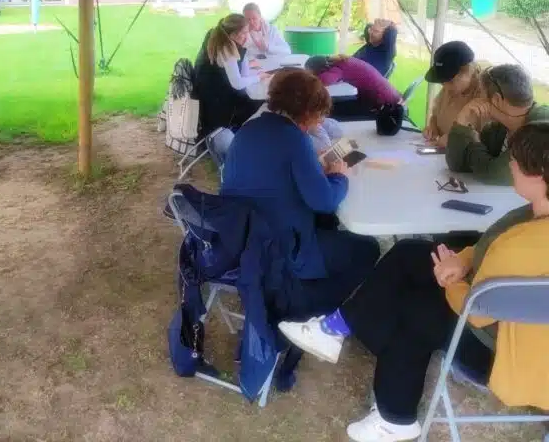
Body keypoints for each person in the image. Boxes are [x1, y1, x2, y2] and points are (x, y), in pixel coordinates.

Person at [279, 121, 549, 442]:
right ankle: (337, 327)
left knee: (415, 309)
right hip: (510, 316)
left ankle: (395, 417)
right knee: (410, 253)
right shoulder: (530, 215)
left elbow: (476, 311)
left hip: (507, 351)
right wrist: (461, 261)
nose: (510, 166)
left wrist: (449, 281)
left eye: (514, 161)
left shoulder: (521, 246)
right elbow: (486, 245)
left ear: (538, 174)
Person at [221, 69, 380, 317]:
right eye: (318, 115)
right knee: (367, 248)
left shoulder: (248, 129)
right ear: (307, 112)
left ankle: (306, 288)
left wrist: (312, 166)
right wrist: (340, 176)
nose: (319, 122)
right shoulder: (295, 139)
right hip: (281, 249)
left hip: (243, 239)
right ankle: (314, 308)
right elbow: (325, 202)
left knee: (328, 227)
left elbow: (275, 174)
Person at [447, 63, 549, 185]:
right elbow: (457, 165)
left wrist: (474, 142)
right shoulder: (499, 127)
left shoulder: (541, 129)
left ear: (496, 99)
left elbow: (493, 173)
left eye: (481, 94)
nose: (477, 100)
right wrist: (461, 122)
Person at [193, 14, 267, 135]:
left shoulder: (220, 39)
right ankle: (247, 137)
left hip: (212, 99)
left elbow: (242, 74)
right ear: (233, 34)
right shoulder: (226, 48)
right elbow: (238, 83)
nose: (247, 36)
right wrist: (259, 77)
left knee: (254, 98)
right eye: (244, 33)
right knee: (263, 103)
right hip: (218, 108)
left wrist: (245, 57)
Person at [423, 41, 486, 148]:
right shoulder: (451, 88)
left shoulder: (485, 93)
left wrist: (456, 139)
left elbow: (486, 142)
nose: (446, 87)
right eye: (442, 82)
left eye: (451, 81)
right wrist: (432, 128)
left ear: (469, 71)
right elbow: (436, 116)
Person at [306, 55, 402, 116]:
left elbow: (323, 81)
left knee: (333, 111)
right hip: (385, 94)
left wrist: (308, 77)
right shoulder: (339, 61)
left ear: (322, 70)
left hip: (384, 102)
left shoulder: (338, 68)